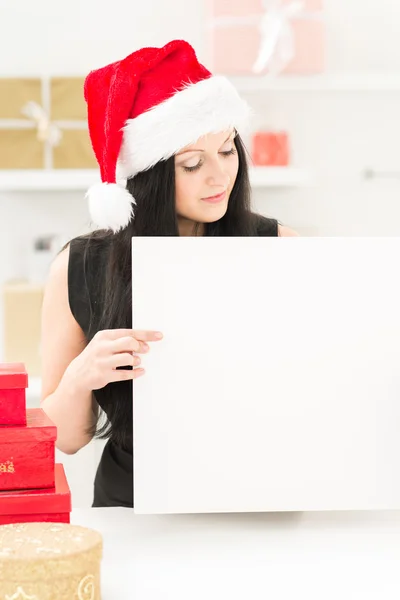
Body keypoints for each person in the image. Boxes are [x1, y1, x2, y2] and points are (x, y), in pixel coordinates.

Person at [40, 39, 299, 508]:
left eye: (227, 151)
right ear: (149, 175)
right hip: (133, 501)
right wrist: (82, 376)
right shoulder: (78, 267)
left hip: (257, 492)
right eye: (193, 164)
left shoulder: (279, 248)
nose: (220, 177)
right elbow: (67, 439)